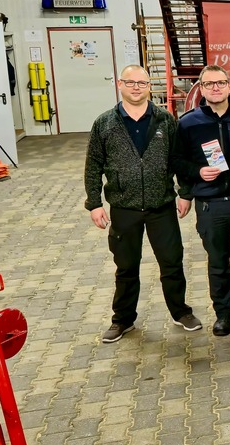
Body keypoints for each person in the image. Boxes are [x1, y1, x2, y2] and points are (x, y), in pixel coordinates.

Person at [84, 64, 201, 342]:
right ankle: (122, 320)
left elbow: (178, 159)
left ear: (150, 87)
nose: (137, 87)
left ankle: (181, 312)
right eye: (131, 82)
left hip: (162, 206)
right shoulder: (105, 123)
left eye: (142, 83)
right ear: (120, 84)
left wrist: (185, 192)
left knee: (172, 262)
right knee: (126, 267)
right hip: (124, 207)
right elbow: (93, 166)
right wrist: (94, 203)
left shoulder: (165, 120)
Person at [175, 65, 230, 336]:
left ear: (228, 84)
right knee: (218, 262)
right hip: (211, 203)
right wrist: (197, 172)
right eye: (209, 84)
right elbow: (177, 161)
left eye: (220, 83)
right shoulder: (188, 123)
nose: (215, 88)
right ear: (201, 88)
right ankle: (223, 314)